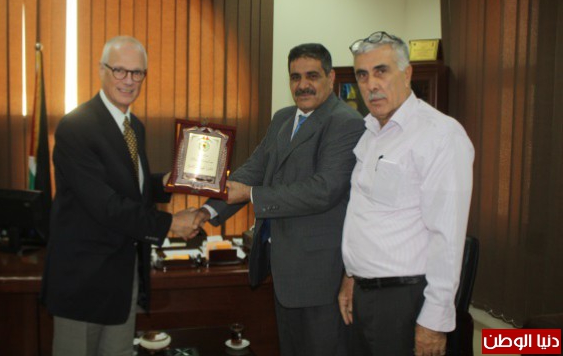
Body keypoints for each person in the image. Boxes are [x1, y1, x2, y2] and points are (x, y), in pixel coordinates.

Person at [194, 43, 366, 356]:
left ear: (331, 78)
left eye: (312, 76)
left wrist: (252, 195)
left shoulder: (346, 122)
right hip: (283, 268)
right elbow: (254, 169)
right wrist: (206, 211)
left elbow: (323, 190)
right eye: (295, 77)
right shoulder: (284, 118)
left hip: (320, 274)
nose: (302, 85)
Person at [40, 36, 198, 356]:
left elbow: (129, 188)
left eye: (137, 72)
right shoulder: (76, 127)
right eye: (120, 70)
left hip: (123, 277)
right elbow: (105, 205)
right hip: (83, 282)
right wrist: (169, 224)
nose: (129, 80)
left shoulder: (134, 127)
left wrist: (168, 182)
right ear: (101, 70)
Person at [339, 31, 474, 356]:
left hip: (406, 299)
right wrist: (351, 275)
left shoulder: (440, 135)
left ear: (407, 73)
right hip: (364, 294)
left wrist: (434, 322)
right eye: (362, 75)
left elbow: (447, 237)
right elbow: (366, 216)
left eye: (381, 71)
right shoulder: (371, 132)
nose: (371, 84)